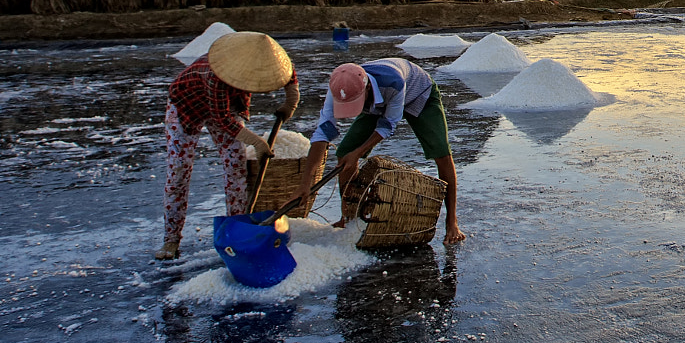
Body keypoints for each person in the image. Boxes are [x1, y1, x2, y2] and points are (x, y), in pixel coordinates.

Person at [155, 30, 299, 260]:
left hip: (226, 105)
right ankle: (171, 239)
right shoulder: (215, 74)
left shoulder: (274, 60)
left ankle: (236, 229)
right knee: (179, 171)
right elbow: (222, 119)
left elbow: (290, 80)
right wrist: (257, 142)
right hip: (185, 106)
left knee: (236, 165)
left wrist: (290, 103)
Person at [303, 57, 465, 245]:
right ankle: (349, 218)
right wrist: (305, 185)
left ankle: (452, 222)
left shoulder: (393, 81)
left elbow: (388, 124)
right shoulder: (339, 89)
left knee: (441, 153)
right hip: (376, 105)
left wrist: (358, 153)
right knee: (344, 152)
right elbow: (322, 133)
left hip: (419, 93)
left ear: (368, 88)